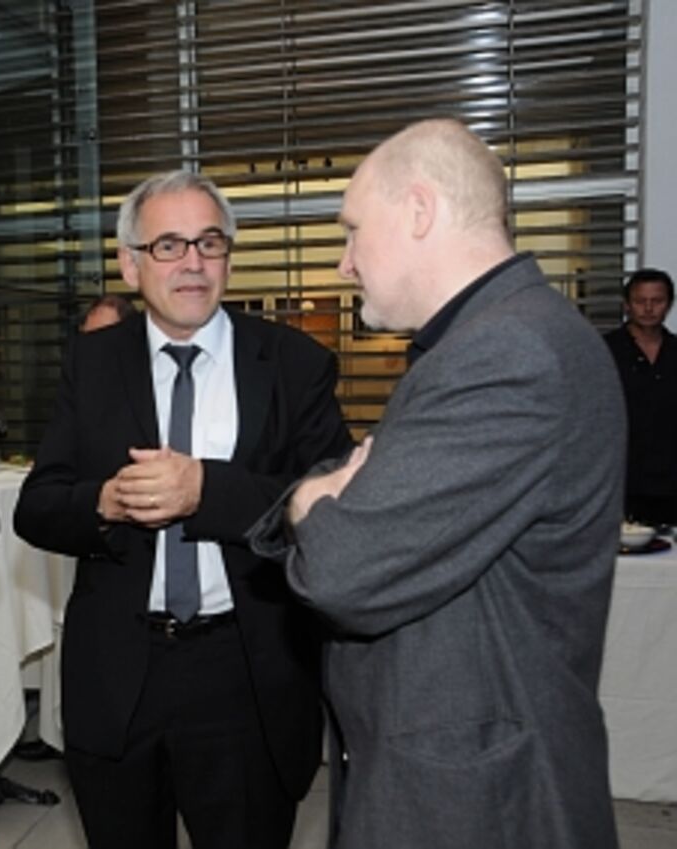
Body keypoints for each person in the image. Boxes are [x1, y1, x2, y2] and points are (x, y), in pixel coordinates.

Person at [248, 119, 624, 849]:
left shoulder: (505, 351)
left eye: (353, 231)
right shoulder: (487, 339)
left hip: (480, 800)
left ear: (419, 211)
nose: (343, 264)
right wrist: (334, 497)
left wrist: (303, 501)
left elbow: (341, 570)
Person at [14, 170, 352, 849]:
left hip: (246, 671)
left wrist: (209, 492)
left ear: (228, 256)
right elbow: (39, 507)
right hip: (119, 671)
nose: (193, 261)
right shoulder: (93, 361)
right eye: (169, 245)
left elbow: (336, 505)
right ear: (131, 263)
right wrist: (104, 501)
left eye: (208, 242)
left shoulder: (293, 362)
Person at [604, 267, 677, 525]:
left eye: (656, 301)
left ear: (668, 305)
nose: (648, 308)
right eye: (640, 301)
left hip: (671, 483)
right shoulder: (605, 351)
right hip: (621, 482)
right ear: (627, 305)